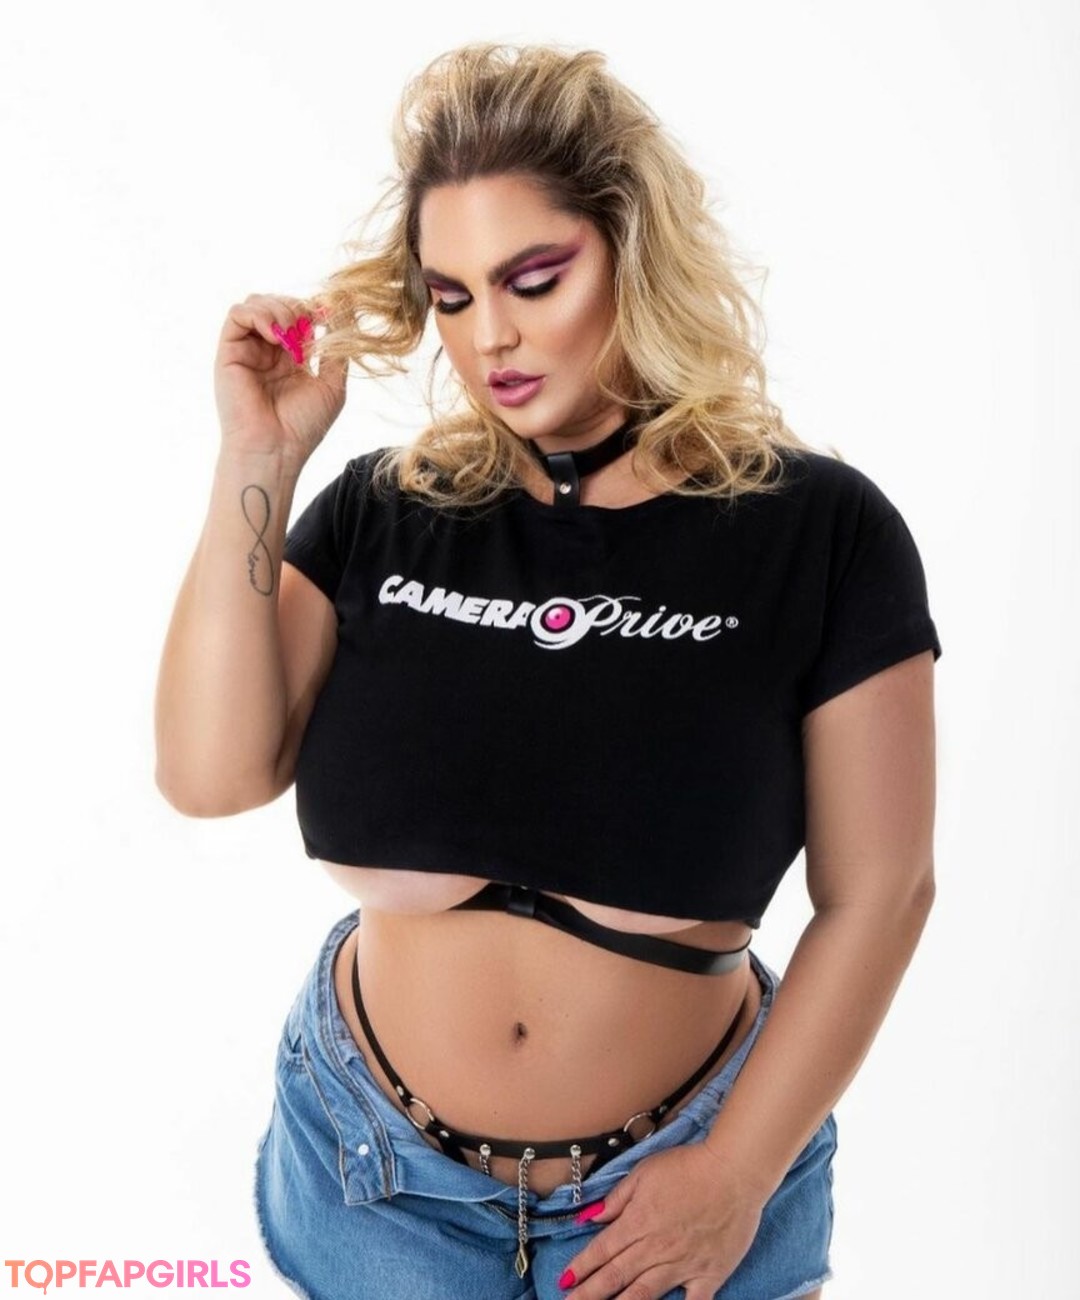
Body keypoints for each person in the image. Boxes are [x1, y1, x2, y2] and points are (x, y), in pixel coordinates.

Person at [154, 41, 942, 1300]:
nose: (494, 336)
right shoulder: (385, 515)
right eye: (453, 296)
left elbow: (882, 892)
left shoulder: (818, 531)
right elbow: (210, 775)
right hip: (374, 1173)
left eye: (534, 278)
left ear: (631, 249)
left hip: (687, 1183)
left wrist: (738, 1172)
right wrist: (259, 461)